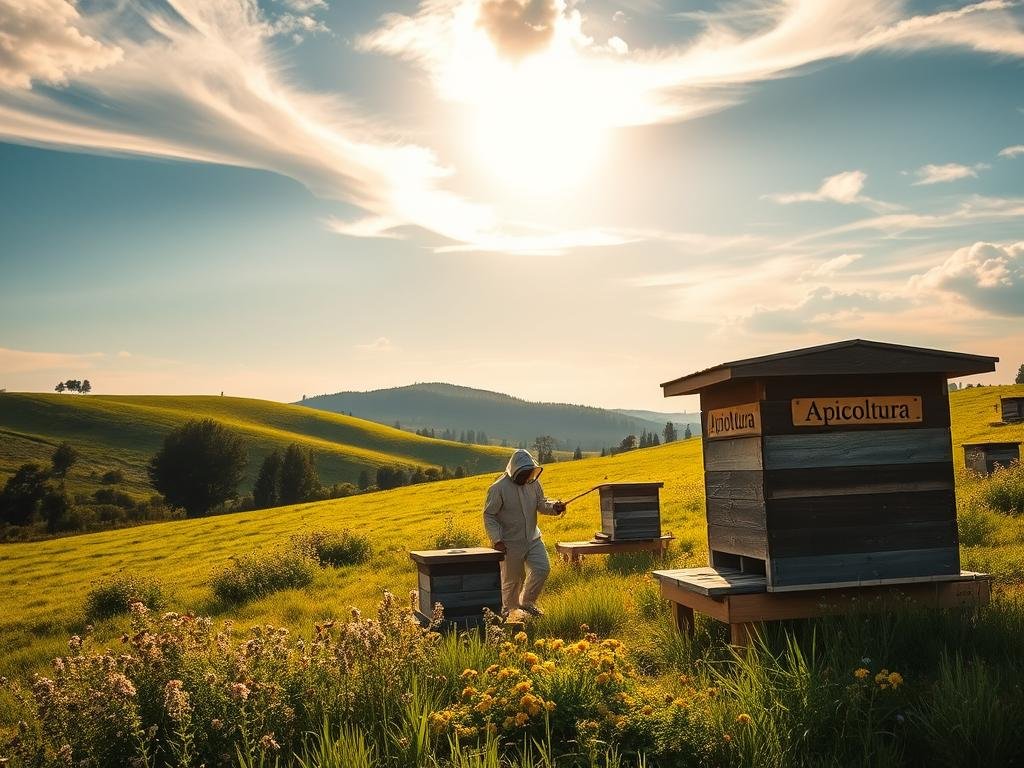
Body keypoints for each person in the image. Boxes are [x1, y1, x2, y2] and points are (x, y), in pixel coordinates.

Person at [483, 449, 565, 617]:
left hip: (533, 538)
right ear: (514, 471)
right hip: (509, 543)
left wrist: (554, 507)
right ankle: (509, 614)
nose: (527, 477)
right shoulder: (498, 489)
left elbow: (541, 504)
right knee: (513, 581)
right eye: (523, 473)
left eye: (529, 473)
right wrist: (497, 540)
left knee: (542, 568)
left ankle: (527, 603)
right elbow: (489, 515)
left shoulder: (533, 483)